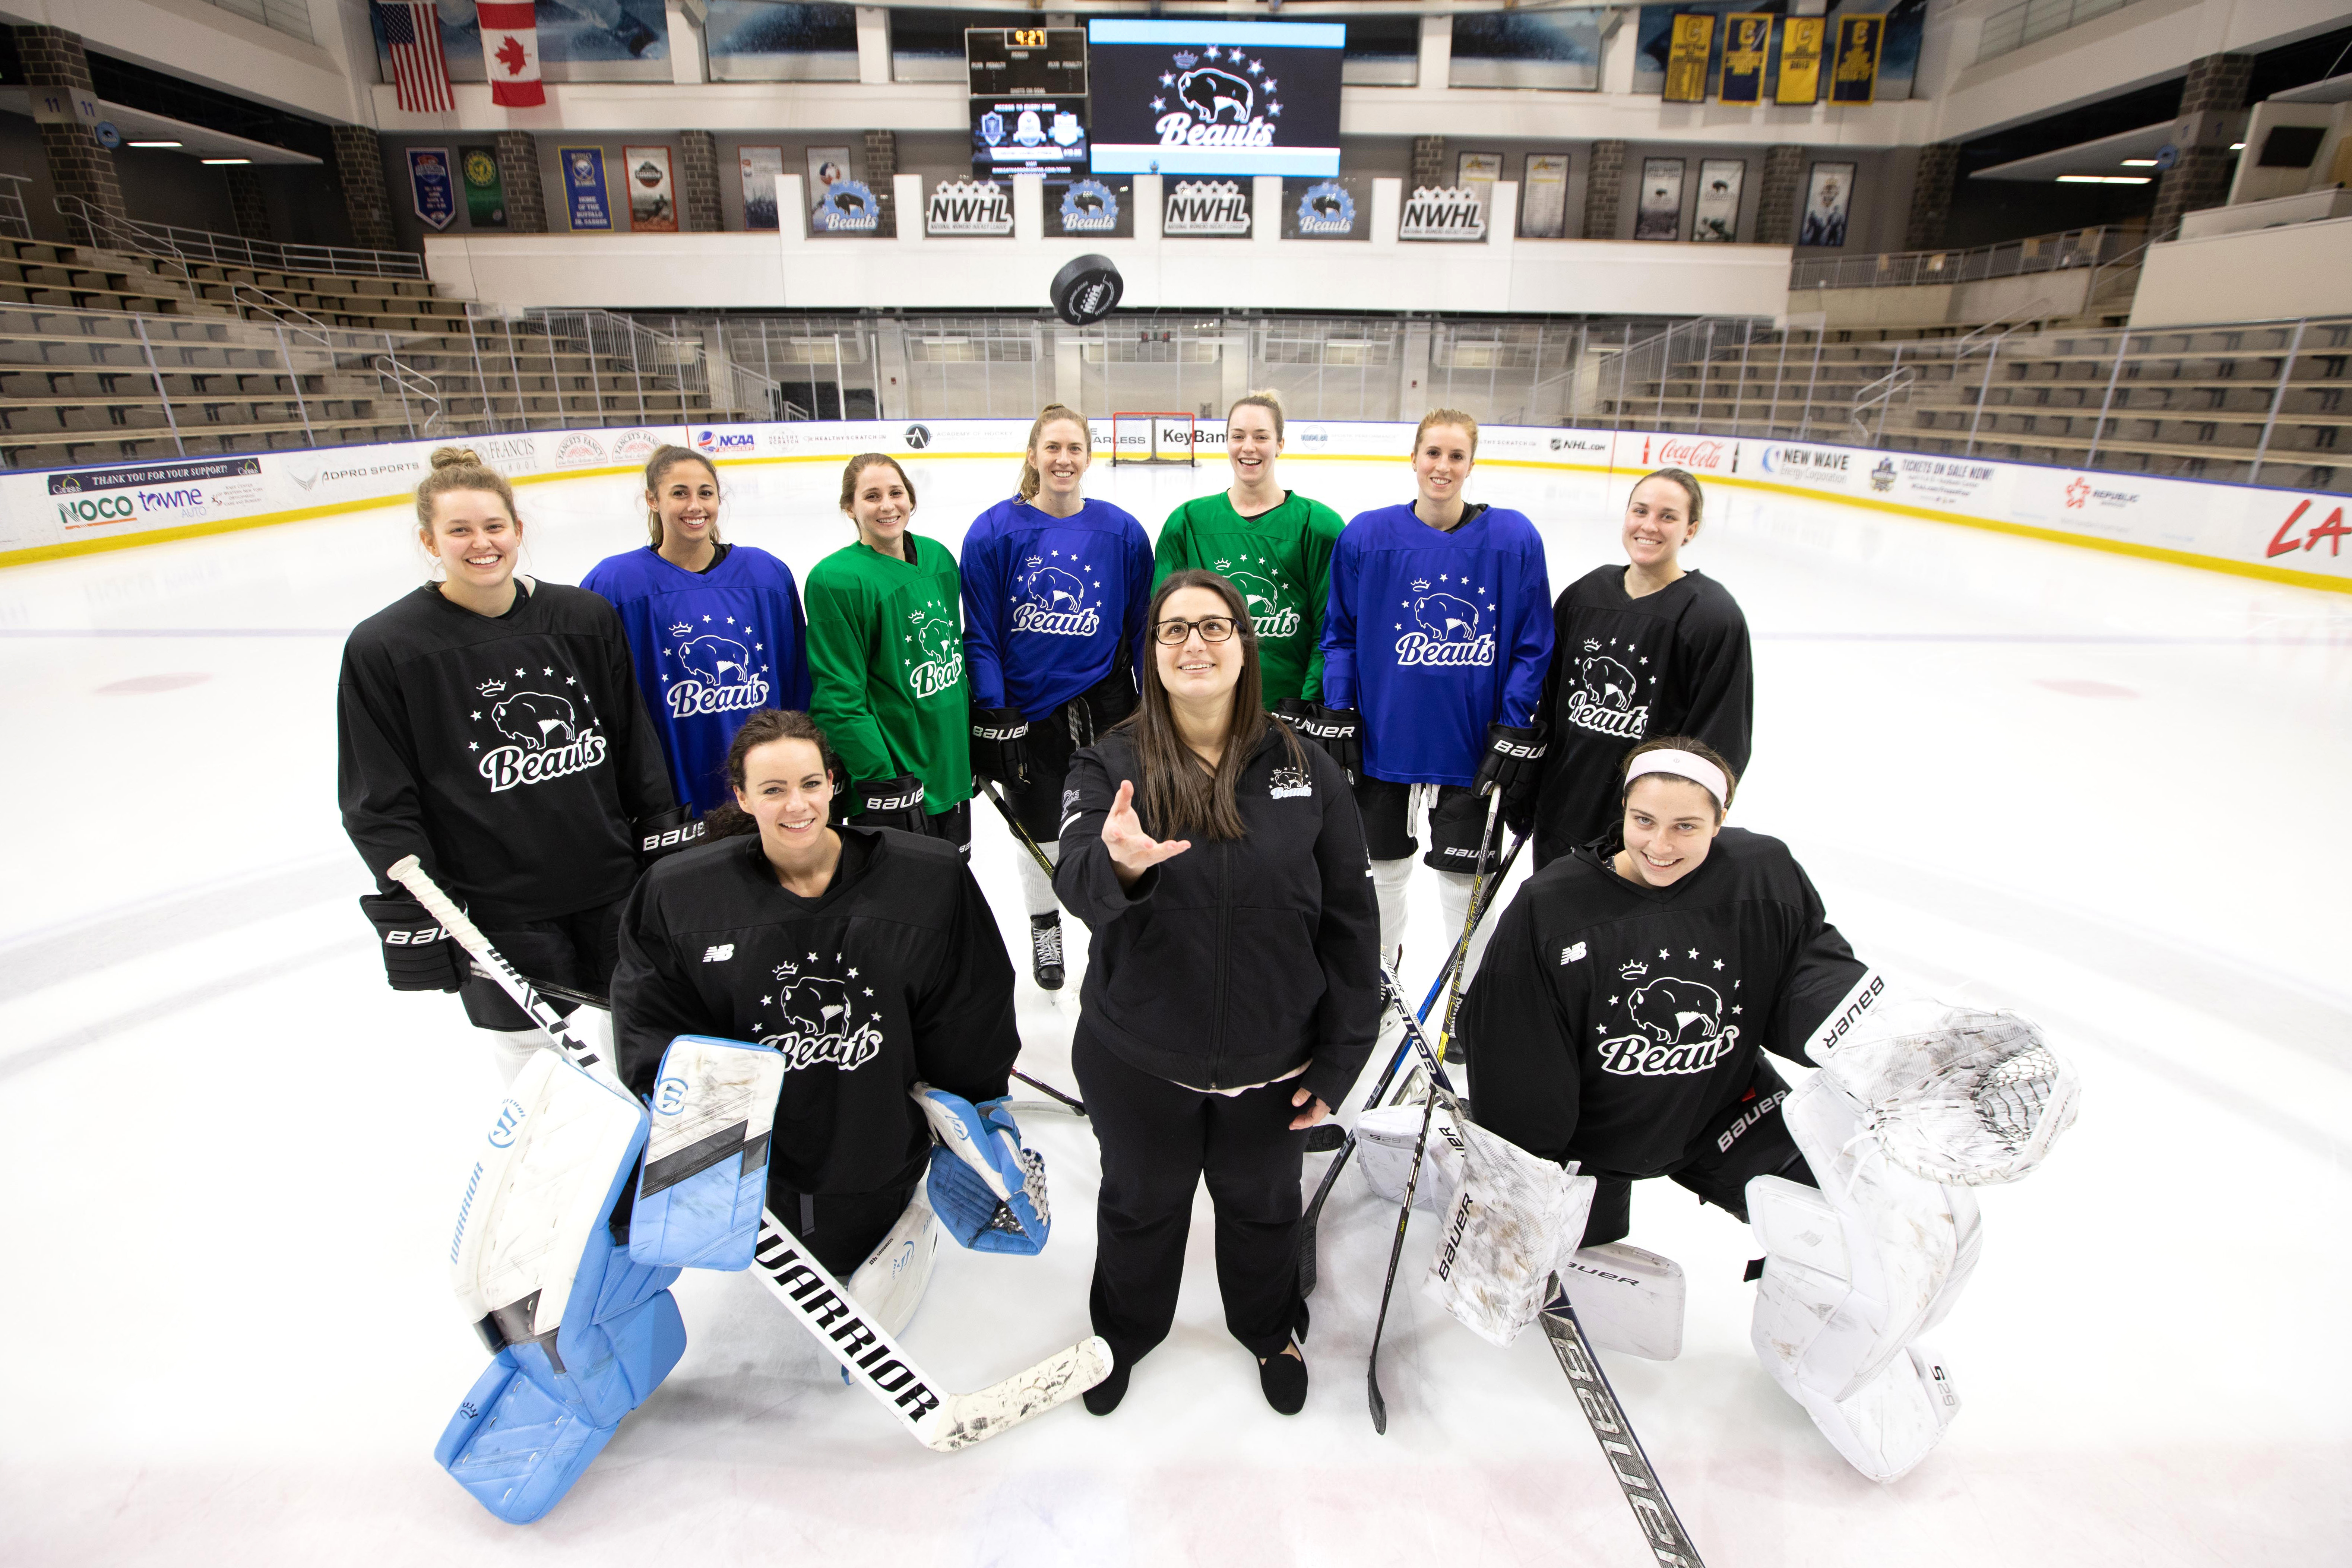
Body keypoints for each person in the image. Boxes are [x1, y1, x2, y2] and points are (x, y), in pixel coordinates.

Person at [1457, 736, 1995, 1482]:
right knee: (1579, 1261)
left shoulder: (1761, 873)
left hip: (1721, 1107)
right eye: (1644, 820)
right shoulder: (1553, 908)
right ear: (1623, 811)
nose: (1660, 844)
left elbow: (1809, 974)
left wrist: (1900, 1051)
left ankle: (1811, 1352)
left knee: (1839, 1219)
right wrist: (1523, 1189)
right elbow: (1515, 1054)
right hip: (1594, 1133)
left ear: (1722, 818)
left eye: (1686, 826)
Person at [1055, 570, 1380, 1418]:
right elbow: (1077, 876)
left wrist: (1342, 1052)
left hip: (1272, 1059)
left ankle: (1269, 1327)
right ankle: (1121, 1335)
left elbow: (1351, 918)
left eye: (1212, 626)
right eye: (1172, 630)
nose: (1193, 643)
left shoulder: (1307, 768)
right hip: (1138, 1057)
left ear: (1243, 643)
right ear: (1150, 654)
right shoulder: (1107, 764)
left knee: (1262, 1208)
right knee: (1138, 1206)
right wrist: (1118, 861)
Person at [610, 708, 1020, 1278]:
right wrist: (691, 1146)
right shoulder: (678, 895)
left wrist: (970, 1115)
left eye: (809, 784)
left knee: (860, 1245)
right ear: (743, 797)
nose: (796, 805)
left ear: (833, 782)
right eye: (772, 790)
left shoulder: (928, 878)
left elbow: (973, 1005)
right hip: (764, 1169)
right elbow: (651, 1021)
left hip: (882, 1146)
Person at [338, 446, 681, 1084]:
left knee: (638, 1035)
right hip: (496, 907)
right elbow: (377, 795)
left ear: (518, 531)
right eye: (459, 530)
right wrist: (420, 900)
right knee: (533, 1067)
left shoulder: (583, 618)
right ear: (428, 540)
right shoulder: (386, 647)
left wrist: (659, 850)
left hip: (610, 883)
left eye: (494, 527)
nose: (481, 543)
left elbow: (635, 746)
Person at [1304, 409, 1553, 989]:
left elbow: (1533, 643)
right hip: (1384, 739)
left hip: (1471, 746)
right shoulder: (1367, 535)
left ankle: (1474, 996)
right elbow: (1339, 632)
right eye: (1432, 453)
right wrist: (1339, 711)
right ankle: (1380, 989)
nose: (1442, 467)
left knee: (1467, 883)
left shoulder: (1513, 539)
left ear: (1471, 463)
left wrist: (1513, 725)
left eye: (1455, 456)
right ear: (1413, 458)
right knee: (1383, 870)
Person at [962, 402, 1153, 991]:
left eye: (1074, 449)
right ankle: (1045, 923)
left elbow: (1142, 624)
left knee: (1115, 821)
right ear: (1033, 454)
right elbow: (983, 633)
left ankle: (1113, 924)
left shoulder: (1121, 531)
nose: (1063, 459)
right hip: (1028, 714)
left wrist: (1154, 706)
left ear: (1089, 456)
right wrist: (994, 712)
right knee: (1038, 828)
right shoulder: (994, 531)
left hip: (1108, 704)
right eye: (1053, 448)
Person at [1526, 467, 1751, 869]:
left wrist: (1674, 830)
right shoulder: (1583, 596)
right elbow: (1549, 705)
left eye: (1668, 516)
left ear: (1691, 529)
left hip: (1645, 838)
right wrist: (1529, 788)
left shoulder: (1711, 617)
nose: (1650, 526)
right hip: (1561, 816)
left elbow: (1721, 741)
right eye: (1640, 511)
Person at [582, 444, 811, 815]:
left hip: (766, 789)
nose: (695, 506)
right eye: (679, 493)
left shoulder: (766, 576)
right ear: (652, 500)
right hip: (672, 796)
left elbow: (797, 678)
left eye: (706, 493)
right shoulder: (616, 585)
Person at [804, 453, 975, 851]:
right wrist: (881, 779)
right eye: (871, 496)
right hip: (896, 777)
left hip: (949, 766)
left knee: (953, 884)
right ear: (850, 507)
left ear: (911, 500)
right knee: (902, 901)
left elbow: (954, 657)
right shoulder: (836, 580)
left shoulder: (938, 558)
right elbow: (837, 696)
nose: (887, 505)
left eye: (896, 493)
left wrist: (967, 750)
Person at [1152, 390, 1346, 707]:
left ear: (1280, 444)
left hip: (1288, 716)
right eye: (1238, 436)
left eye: (1261, 437)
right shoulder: (1187, 523)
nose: (1248, 447)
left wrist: (1308, 707)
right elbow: (1165, 628)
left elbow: (1329, 632)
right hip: (1205, 712)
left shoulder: (1318, 527)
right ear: (1226, 442)